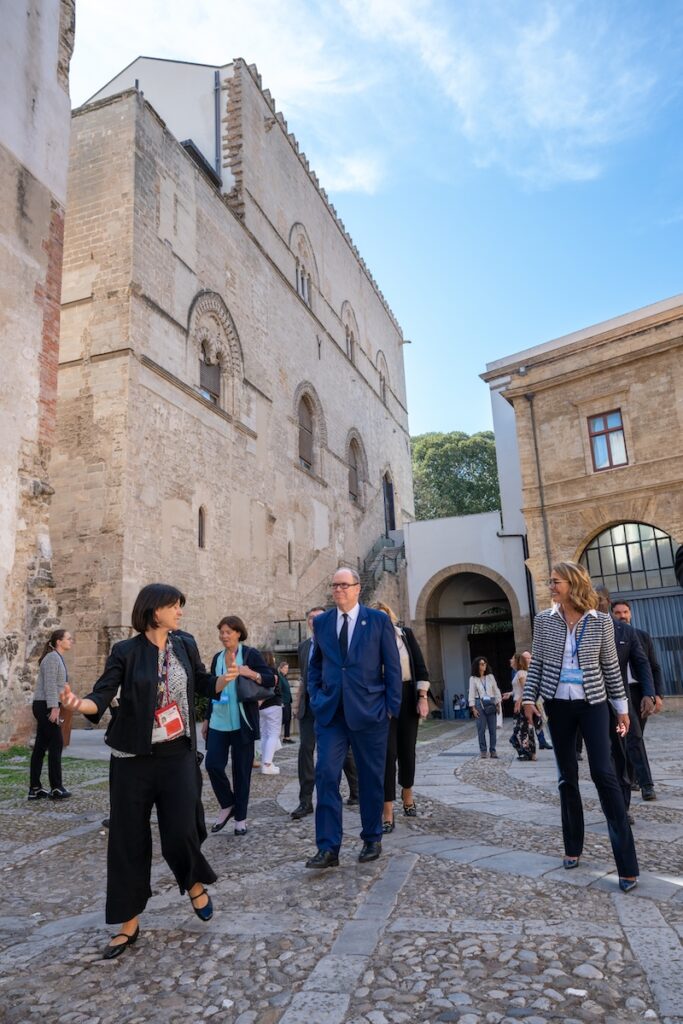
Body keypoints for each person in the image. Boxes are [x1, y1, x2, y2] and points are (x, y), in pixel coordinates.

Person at [59, 583, 228, 958]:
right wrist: (78, 703)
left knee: (183, 828)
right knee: (128, 840)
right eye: (174, 606)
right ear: (154, 611)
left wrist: (222, 679)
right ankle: (128, 922)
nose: (180, 612)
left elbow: (200, 682)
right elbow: (102, 695)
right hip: (132, 759)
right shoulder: (126, 651)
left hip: (177, 754)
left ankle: (194, 882)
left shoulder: (184, 644)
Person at [522, 562, 640, 892]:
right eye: (550, 581)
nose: (550, 586)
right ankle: (572, 847)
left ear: (573, 584)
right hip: (558, 705)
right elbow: (539, 664)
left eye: (555, 581)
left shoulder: (601, 622)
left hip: (594, 704)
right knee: (566, 777)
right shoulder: (544, 621)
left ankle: (627, 866)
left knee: (604, 774)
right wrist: (530, 699)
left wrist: (621, 710)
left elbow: (611, 668)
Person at [304, 567, 401, 868]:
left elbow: (392, 667)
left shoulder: (377, 620)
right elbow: (315, 666)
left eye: (344, 585)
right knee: (326, 775)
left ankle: (372, 838)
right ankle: (328, 847)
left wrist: (390, 707)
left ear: (358, 588)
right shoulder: (321, 623)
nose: (338, 590)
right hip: (332, 713)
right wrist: (317, 697)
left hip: (370, 711)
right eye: (334, 585)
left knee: (371, 777)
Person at [206, 616, 274, 834]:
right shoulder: (217, 658)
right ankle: (228, 804)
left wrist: (250, 673)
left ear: (238, 633)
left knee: (241, 771)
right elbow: (212, 690)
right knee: (213, 765)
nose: (224, 636)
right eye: (222, 632)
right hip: (218, 721)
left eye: (228, 632)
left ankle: (240, 820)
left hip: (243, 722)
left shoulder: (251, 654)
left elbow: (271, 679)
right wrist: (207, 719)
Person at [290, 606, 359, 820]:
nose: (314, 621)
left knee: (343, 752)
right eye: (310, 618)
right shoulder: (303, 647)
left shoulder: (335, 643)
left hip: (331, 704)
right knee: (306, 750)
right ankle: (305, 801)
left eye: (318, 618)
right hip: (310, 706)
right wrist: (297, 702)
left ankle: (357, 790)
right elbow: (304, 677)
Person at [373, 601, 430, 833]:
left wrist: (422, 696)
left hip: (407, 696)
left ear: (390, 616)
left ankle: (407, 793)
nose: (382, 620)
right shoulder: (369, 642)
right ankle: (387, 809)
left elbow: (420, 666)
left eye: (384, 615)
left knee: (407, 750)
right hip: (382, 698)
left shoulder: (404, 635)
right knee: (387, 754)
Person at [28, 629, 74, 800]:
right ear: (58, 641)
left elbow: (57, 684)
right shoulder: (52, 658)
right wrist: (54, 708)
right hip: (45, 705)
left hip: (46, 705)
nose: (71, 641)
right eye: (69, 638)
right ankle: (56, 788)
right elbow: (49, 685)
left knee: (40, 747)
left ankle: (35, 788)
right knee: (57, 743)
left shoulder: (56, 658)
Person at [468, 657, 502, 758]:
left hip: (490, 701)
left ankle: (493, 750)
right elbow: (471, 694)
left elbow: (496, 690)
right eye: (481, 664)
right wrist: (473, 708)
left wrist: (498, 703)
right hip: (479, 703)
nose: (484, 665)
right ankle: (483, 750)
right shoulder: (473, 678)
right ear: (477, 666)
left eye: (485, 664)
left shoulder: (490, 677)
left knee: (493, 729)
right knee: (481, 729)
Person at [258, 651, 283, 775]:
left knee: (264, 734)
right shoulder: (272, 671)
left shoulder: (257, 672)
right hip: (273, 704)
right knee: (273, 734)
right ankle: (267, 764)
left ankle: (265, 762)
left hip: (260, 707)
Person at [509, 653, 537, 761]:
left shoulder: (520, 673)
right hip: (522, 703)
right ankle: (530, 753)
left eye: (512, 659)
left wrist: (518, 701)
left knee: (522, 730)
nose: (510, 661)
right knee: (526, 728)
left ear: (517, 661)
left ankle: (526, 753)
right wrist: (510, 694)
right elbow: (518, 689)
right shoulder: (521, 673)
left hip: (520, 704)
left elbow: (525, 689)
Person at [278, 662, 294, 742]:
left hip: (288, 701)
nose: (286, 670)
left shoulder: (284, 677)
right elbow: (279, 690)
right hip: (283, 702)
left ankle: (286, 737)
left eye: (287, 668)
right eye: (285, 668)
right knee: (283, 719)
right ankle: (276, 736)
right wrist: (281, 702)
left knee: (288, 719)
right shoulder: (280, 677)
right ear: (281, 668)